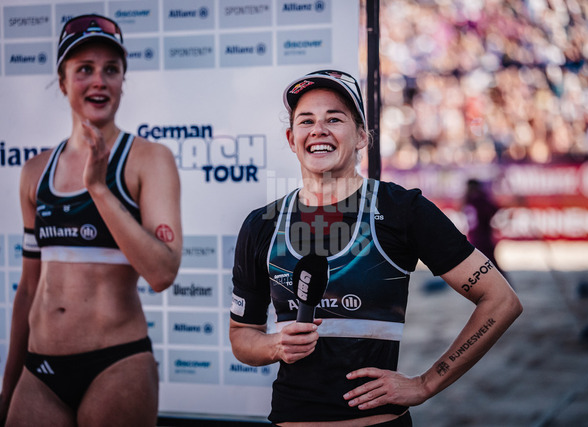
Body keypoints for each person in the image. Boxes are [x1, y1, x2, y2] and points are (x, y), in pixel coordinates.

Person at [229, 69, 523, 426]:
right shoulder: (262, 224)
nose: (318, 130)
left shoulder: (401, 210)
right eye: (306, 121)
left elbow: (501, 300)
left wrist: (427, 383)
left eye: (334, 119)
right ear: (292, 139)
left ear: (361, 137)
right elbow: (242, 335)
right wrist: (275, 345)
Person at [0, 14, 182, 426]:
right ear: (63, 82)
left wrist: (99, 188)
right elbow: (28, 289)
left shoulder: (149, 159)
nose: (99, 81)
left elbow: (162, 272)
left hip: (116, 364)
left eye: (111, 70)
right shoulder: (35, 171)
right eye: (84, 69)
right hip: (39, 370)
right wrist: (8, 387)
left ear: (122, 81)